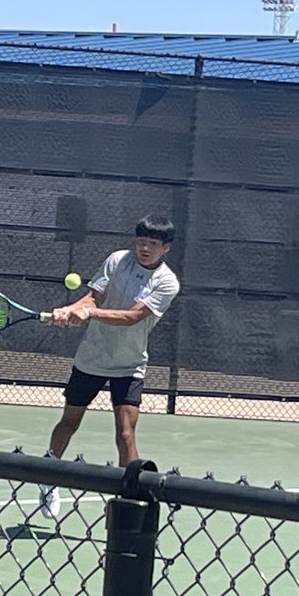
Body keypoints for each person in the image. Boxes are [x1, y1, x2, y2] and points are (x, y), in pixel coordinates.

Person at [37, 214, 181, 519]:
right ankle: (48, 479)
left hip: (129, 365)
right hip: (91, 358)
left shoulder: (167, 282)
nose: (144, 248)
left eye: (152, 244)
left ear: (165, 248)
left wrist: (89, 314)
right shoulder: (118, 260)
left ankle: (132, 495)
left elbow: (132, 317)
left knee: (126, 433)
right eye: (141, 241)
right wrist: (70, 310)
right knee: (69, 423)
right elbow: (93, 296)